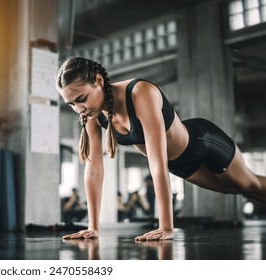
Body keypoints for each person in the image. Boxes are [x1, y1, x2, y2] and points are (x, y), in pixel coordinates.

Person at [56, 56, 266, 241]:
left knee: (250, 184)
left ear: (99, 81)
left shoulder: (140, 93)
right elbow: (93, 170)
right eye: (71, 104)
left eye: (81, 99)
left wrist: (166, 226)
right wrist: (93, 227)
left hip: (205, 142)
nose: (78, 109)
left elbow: (157, 163)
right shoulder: (92, 115)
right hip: (180, 164)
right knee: (234, 189)